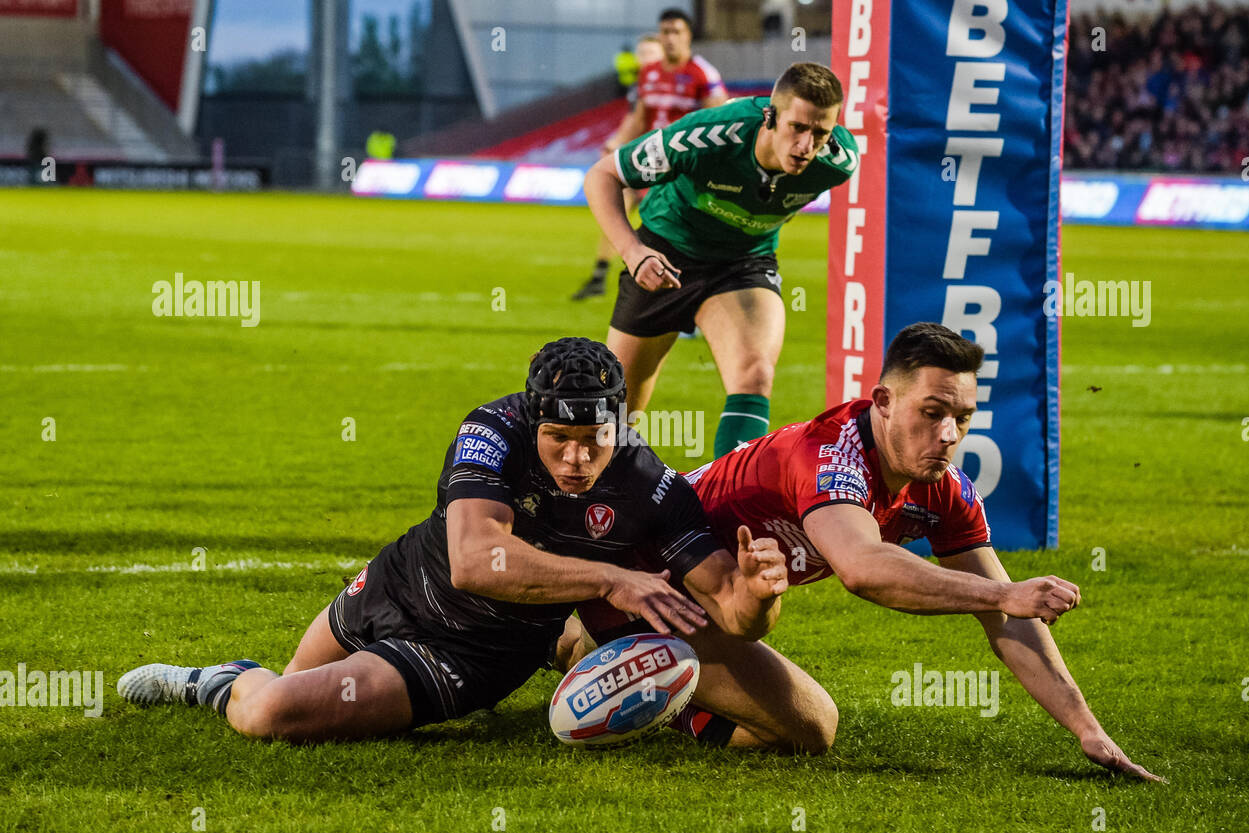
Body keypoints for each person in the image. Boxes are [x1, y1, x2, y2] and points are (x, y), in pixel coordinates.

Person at [561, 323, 1165, 781]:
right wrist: (1004, 592)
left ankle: (635, 674)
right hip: (643, 572)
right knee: (814, 727)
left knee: (803, 727)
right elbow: (864, 568)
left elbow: (1007, 619)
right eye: (931, 413)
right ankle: (591, 647)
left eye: (962, 417)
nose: (949, 435)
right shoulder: (827, 456)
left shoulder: (944, 491)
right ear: (882, 402)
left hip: (719, 607)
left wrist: (1087, 730)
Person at [116, 338, 790, 743]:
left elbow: (731, 607)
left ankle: (208, 680)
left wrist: (761, 597)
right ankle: (243, 673)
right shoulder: (492, 429)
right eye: (560, 440)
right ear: (533, 422)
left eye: (596, 441)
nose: (578, 459)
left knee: (271, 712)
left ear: (622, 425)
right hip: (400, 580)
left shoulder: (651, 485)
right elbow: (474, 559)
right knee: (296, 681)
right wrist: (610, 579)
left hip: (470, 654)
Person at [584, 61, 860, 460]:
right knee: (618, 408)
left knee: (755, 373)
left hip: (744, 262)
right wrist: (633, 251)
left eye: (820, 133)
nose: (806, 146)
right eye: (797, 128)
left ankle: (729, 504)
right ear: (770, 116)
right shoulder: (706, 136)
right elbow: (602, 176)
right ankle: (597, 501)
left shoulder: (838, 161)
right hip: (665, 252)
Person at [571, 8, 727, 301]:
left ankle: (689, 295)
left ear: (688, 36)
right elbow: (639, 118)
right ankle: (600, 274)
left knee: (677, 229)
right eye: (664, 32)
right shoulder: (649, 73)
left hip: (684, 165)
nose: (669, 39)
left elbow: (717, 121)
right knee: (617, 202)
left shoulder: (702, 73)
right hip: (652, 158)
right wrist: (616, 141)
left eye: (676, 32)